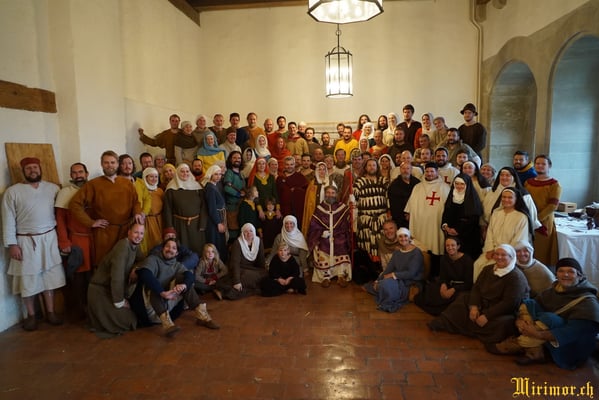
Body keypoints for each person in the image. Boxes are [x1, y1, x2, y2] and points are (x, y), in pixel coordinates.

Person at [496, 258, 599, 369]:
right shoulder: (555, 290)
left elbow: (574, 332)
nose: (565, 275)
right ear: (556, 274)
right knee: (528, 304)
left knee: (548, 318)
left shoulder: (588, 302)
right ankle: (535, 352)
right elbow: (534, 304)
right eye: (561, 271)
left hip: (571, 347)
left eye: (570, 272)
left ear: (579, 276)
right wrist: (520, 321)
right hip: (549, 332)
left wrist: (537, 334)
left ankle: (521, 343)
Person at [2, 157, 65, 330]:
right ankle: (31, 315)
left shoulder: (52, 188)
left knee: (49, 277)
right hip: (25, 241)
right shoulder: (12, 192)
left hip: (49, 238)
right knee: (28, 278)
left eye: (35, 167)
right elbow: (8, 220)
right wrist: (12, 244)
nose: (32, 171)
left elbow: (60, 214)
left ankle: (50, 312)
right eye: (29, 168)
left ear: (40, 168)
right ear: (23, 171)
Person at [428, 244, 529, 349]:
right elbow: (476, 287)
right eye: (497, 254)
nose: (499, 257)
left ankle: (474, 331)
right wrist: (474, 307)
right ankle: (445, 323)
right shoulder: (488, 269)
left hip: (499, 310)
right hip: (483, 303)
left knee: (504, 324)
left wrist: (487, 316)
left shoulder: (516, 277)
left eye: (503, 255)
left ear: (511, 257)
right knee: (463, 298)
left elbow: (509, 303)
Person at [132, 238, 219, 337]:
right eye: (167, 246)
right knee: (155, 287)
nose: (170, 249)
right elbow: (145, 273)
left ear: (177, 253)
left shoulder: (176, 265)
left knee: (184, 279)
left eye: (174, 248)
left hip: (168, 302)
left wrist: (184, 285)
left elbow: (190, 276)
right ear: (162, 248)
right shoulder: (153, 259)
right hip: (151, 305)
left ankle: (202, 316)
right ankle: (168, 325)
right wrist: (162, 292)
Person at [70, 150, 143, 267]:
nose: (110, 165)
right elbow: (74, 204)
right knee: (104, 264)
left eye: (112, 162)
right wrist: (91, 222)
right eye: (106, 163)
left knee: (124, 263)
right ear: (102, 164)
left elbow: (136, 202)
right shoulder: (93, 184)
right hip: (105, 233)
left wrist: (137, 213)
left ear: (117, 164)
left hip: (125, 231)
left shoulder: (127, 183)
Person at [87, 223, 144, 337]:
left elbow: (142, 259)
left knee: (135, 317)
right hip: (100, 290)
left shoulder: (135, 246)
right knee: (130, 321)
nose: (139, 236)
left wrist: (136, 268)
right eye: (136, 232)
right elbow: (117, 276)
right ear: (129, 232)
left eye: (141, 233)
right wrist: (119, 301)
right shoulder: (123, 247)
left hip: (110, 290)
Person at [54, 162, 92, 321]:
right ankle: (79, 310)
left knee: (92, 275)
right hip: (77, 239)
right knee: (78, 277)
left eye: (81, 172)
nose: (78, 175)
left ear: (86, 173)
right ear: (71, 175)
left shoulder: (92, 188)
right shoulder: (65, 193)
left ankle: (92, 308)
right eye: (75, 173)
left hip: (93, 238)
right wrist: (64, 242)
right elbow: (60, 220)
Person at [474, 188, 532, 281]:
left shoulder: (521, 217)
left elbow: (519, 240)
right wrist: (490, 250)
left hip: (508, 254)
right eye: (504, 197)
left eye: (510, 197)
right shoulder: (496, 213)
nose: (506, 200)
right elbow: (490, 233)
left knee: (490, 268)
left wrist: (501, 252)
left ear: (516, 199)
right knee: (478, 264)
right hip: (492, 251)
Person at [404, 162, 450, 278]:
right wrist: (408, 212)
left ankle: (434, 275)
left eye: (432, 171)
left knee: (435, 246)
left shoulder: (444, 187)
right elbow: (411, 203)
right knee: (420, 247)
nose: (429, 174)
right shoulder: (418, 187)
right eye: (427, 171)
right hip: (419, 224)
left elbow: (449, 208)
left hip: (435, 224)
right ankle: (419, 274)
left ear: (437, 172)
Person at [363, 228, 424, 313]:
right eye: (400, 236)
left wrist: (393, 275)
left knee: (385, 285)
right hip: (398, 279)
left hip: (410, 282)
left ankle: (386, 298)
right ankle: (382, 289)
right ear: (397, 238)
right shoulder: (397, 253)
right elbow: (389, 269)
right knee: (381, 283)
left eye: (405, 236)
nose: (403, 238)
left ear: (409, 237)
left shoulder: (416, 253)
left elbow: (411, 273)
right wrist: (378, 280)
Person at [414, 237, 473, 316]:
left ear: (458, 246)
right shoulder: (444, 258)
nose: (450, 248)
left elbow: (468, 283)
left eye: (453, 245)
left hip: (461, 287)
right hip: (448, 284)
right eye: (447, 245)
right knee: (429, 289)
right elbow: (443, 276)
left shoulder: (467, 260)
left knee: (459, 298)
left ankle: (444, 311)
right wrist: (443, 285)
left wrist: (454, 289)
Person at [308, 186, 352, 287]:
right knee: (322, 248)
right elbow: (313, 226)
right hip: (324, 237)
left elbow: (347, 223)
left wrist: (353, 207)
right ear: (325, 194)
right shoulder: (319, 209)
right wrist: (321, 233)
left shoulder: (342, 207)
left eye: (333, 193)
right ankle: (325, 276)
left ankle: (341, 275)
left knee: (341, 245)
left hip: (338, 235)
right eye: (328, 192)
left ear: (336, 194)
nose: (330, 195)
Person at [524, 154, 562, 266]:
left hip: (544, 221)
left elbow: (552, 205)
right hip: (528, 220)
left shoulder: (554, 184)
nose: (540, 166)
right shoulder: (528, 183)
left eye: (543, 164)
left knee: (542, 251)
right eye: (537, 163)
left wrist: (537, 219)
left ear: (549, 166)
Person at [163, 163, 207, 255]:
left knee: (197, 248)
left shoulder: (197, 187)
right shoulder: (171, 189)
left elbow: (203, 206)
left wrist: (202, 223)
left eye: (187, 171)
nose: (185, 174)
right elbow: (167, 209)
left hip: (196, 225)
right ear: (177, 173)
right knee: (182, 249)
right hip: (179, 225)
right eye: (182, 171)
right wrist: (170, 227)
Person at [352, 159, 388, 262]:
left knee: (382, 245)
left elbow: (388, 199)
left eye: (374, 165)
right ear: (365, 167)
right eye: (369, 165)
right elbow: (354, 200)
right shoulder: (359, 182)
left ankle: (381, 266)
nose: (372, 167)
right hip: (365, 220)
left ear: (377, 167)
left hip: (381, 219)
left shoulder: (383, 181)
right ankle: (369, 266)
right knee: (366, 245)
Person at [441, 174, 483, 259]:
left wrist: (457, 230)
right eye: (457, 183)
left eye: (462, 184)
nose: (459, 186)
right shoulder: (452, 195)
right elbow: (446, 213)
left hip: (468, 235)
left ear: (467, 185)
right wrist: (445, 226)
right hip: (451, 234)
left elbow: (473, 219)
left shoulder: (472, 199)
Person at [224, 223, 267, 299]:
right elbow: (235, 263)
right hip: (240, 269)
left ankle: (229, 291)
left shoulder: (258, 241)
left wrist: (263, 272)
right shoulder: (237, 243)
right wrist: (237, 281)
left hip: (252, 269)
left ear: (254, 232)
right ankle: (229, 291)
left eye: (251, 231)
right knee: (250, 278)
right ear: (242, 233)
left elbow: (261, 260)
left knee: (265, 275)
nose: (249, 233)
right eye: (246, 231)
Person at [135, 167, 163, 256]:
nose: (154, 179)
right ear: (145, 177)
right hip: (146, 221)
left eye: (156, 177)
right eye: (151, 176)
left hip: (159, 221)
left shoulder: (160, 191)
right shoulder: (141, 190)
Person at [302, 161, 336, 235]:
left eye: (324, 169)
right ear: (317, 171)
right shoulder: (313, 183)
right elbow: (309, 200)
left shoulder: (331, 182)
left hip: (328, 211)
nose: (322, 171)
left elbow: (335, 197)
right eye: (320, 169)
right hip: (316, 211)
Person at [276, 156, 308, 231]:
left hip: (298, 210)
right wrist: (278, 209)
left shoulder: (300, 177)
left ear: (294, 164)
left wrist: (296, 190)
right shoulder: (280, 178)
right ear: (284, 165)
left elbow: (307, 193)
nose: (289, 166)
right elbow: (277, 195)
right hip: (284, 209)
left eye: (291, 164)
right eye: (287, 164)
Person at [204, 165, 228, 262]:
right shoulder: (210, 188)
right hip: (214, 220)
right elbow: (212, 208)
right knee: (216, 241)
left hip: (219, 217)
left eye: (220, 174)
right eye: (216, 174)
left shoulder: (214, 186)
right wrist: (218, 223)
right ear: (211, 175)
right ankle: (215, 263)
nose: (218, 176)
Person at [223, 150, 245, 241]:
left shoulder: (240, 173)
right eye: (234, 158)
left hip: (240, 206)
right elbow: (227, 188)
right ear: (230, 160)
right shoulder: (229, 172)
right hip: (232, 207)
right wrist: (238, 194)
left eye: (239, 158)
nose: (237, 160)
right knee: (233, 231)